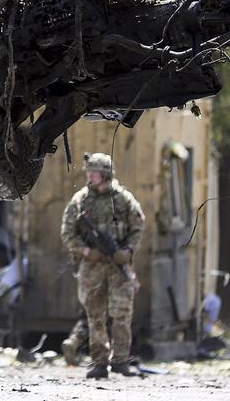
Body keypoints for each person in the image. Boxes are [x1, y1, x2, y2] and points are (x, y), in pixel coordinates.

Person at [60, 153, 144, 379]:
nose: (89, 176)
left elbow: (138, 226)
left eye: (94, 172)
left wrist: (126, 251)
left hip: (117, 264)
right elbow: (67, 232)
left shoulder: (124, 199)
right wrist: (87, 251)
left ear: (106, 174)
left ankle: (120, 360)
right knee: (95, 314)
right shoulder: (80, 200)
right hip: (92, 265)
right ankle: (99, 362)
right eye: (88, 172)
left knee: (122, 312)